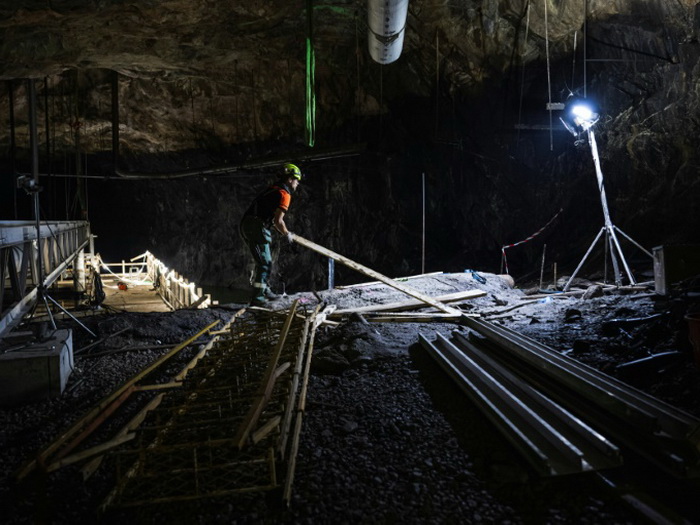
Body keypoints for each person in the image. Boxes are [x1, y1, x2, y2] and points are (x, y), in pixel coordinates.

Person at [239, 163, 301, 306]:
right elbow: (279, 221)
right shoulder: (285, 194)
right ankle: (258, 298)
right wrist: (287, 234)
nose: (297, 184)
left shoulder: (273, 189)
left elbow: (272, 219)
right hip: (256, 226)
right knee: (265, 263)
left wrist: (281, 230)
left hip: (247, 224)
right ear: (290, 179)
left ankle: (264, 290)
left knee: (262, 261)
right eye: (296, 180)